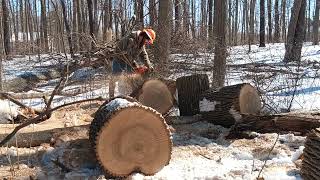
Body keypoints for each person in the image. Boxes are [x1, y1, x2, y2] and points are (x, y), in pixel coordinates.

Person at [109, 28, 156, 98]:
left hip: (129, 60)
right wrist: (135, 66)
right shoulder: (130, 40)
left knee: (132, 78)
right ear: (144, 36)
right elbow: (128, 54)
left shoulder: (141, 44)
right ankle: (111, 96)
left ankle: (134, 96)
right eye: (147, 41)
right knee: (115, 77)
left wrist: (148, 65)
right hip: (119, 59)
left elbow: (144, 55)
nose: (147, 43)